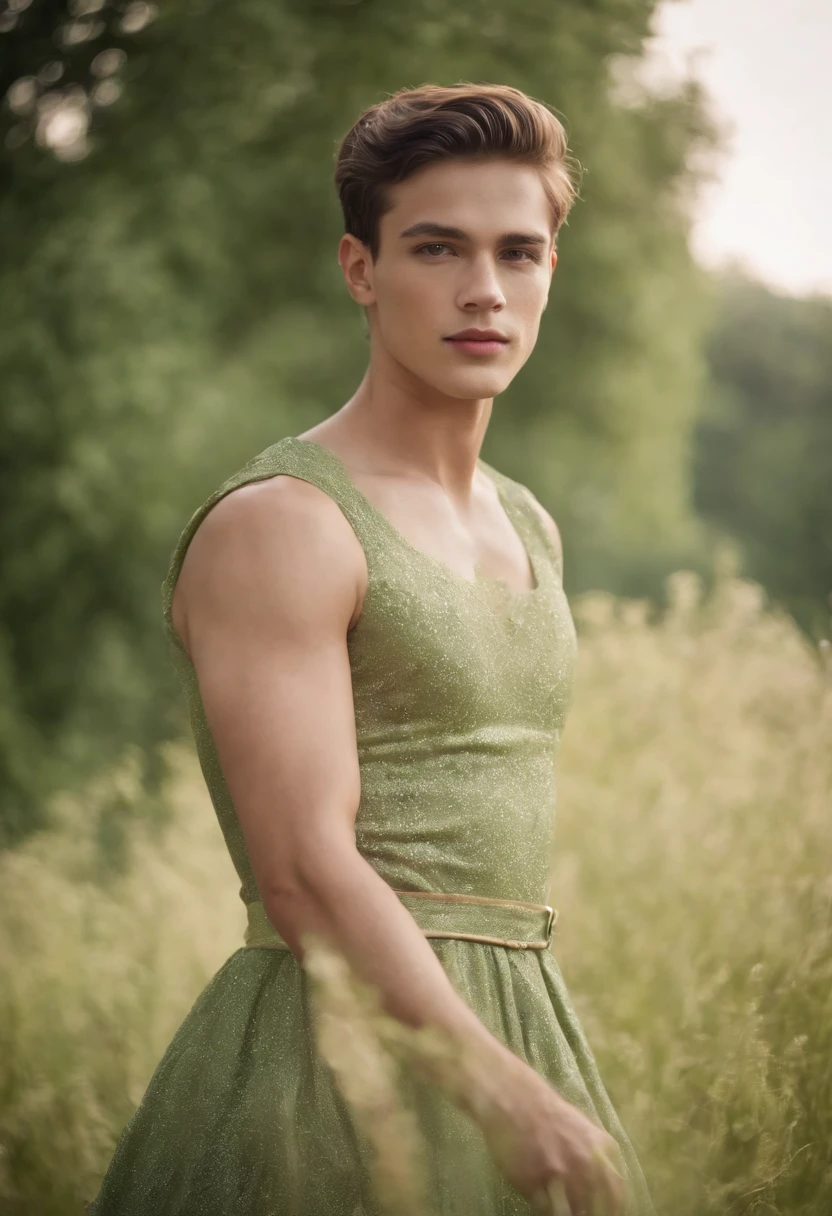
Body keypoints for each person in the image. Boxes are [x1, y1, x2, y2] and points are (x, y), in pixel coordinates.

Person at [87, 82, 657, 1216]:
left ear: (551, 271)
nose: (483, 291)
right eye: (437, 248)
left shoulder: (528, 521)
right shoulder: (283, 523)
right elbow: (301, 870)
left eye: (519, 253)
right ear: (361, 269)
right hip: (328, 1070)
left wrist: (525, 1074)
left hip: (523, 1026)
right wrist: (496, 1092)